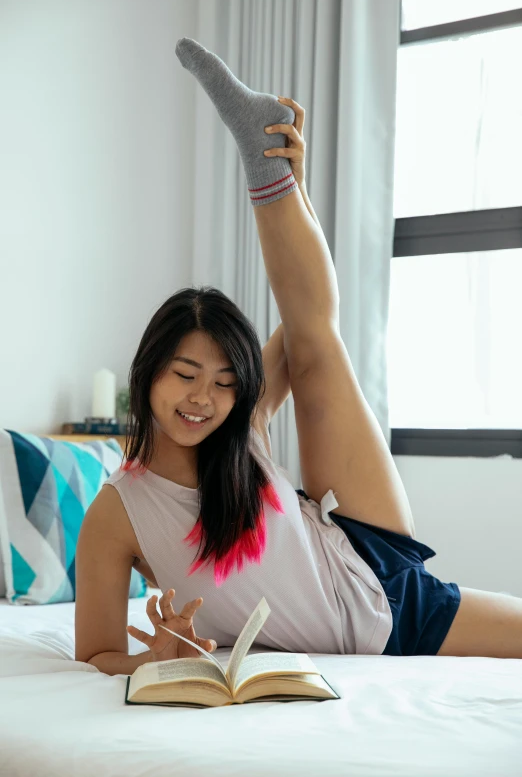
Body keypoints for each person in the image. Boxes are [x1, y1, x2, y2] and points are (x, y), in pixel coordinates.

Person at [75, 39, 522, 676]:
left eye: (226, 381)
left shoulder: (241, 427)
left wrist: (299, 191)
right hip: (387, 627)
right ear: (148, 374)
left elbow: (305, 311)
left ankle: (270, 167)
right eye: (185, 375)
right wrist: (164, 657)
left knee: (314, 340)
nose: (204, 399)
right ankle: (271, 169)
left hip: (372, 566)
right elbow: (95, 652)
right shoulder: (117, 514)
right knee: (313, 331)